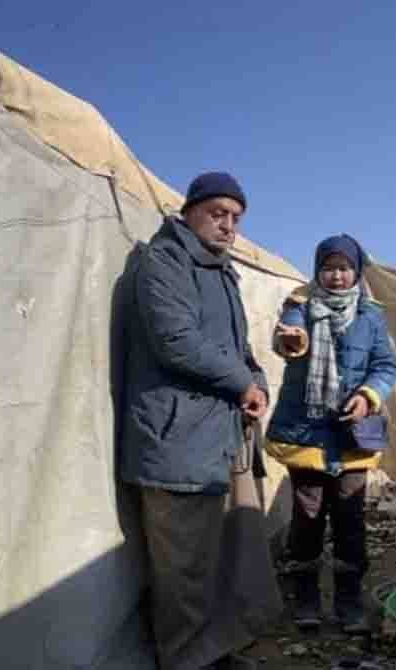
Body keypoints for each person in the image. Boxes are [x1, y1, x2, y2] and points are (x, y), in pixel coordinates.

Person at [119, 172, 280, 670]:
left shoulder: (220, 273)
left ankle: (213, 652)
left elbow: (241, 353)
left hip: (215, 437)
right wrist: (242, 384)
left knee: (214, 559)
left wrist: (259, 385)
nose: (229, 225)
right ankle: (185, 660)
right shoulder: (163, 262)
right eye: (218, 213)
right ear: (189, 211)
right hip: (176, 440)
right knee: (182, 568)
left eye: (236, 218)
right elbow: (177, 342)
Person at [264, 235, 396, 634]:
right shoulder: (300, 307)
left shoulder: (372, 316)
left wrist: (367, 395)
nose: (337, 276)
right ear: (318, 271)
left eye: (344, 268)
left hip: (352, 438)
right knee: (306, 519)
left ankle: (348, 600)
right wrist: (291, 340)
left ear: (356, 272)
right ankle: (306, 597)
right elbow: (287, 334)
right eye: (329, 268)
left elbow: (386, 366)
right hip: (306, 434)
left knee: (349, 521)